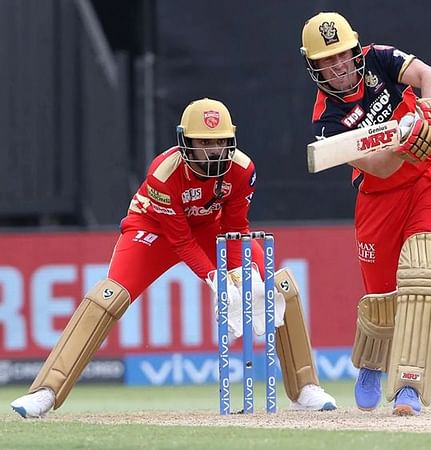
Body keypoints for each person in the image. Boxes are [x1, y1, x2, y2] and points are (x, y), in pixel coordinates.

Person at [10, 98, 336, 418]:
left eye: (221, 142)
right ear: (185, 142)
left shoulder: (242, 169)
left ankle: (305, 387)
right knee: (109, 296)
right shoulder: (164, 174)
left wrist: (241, 273)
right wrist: (215, 277)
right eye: (204, 143)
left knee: (275, 284)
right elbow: (180, 240)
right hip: (154, 230)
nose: (214, 151)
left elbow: (236, 228)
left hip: (211, 228)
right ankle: (46, 391)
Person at [300, 13, 431, 416]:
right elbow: (379, 167)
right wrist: (406, 138)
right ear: (315, 67)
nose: (339, 66)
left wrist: (429, 107)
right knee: (381, 300)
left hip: (429, 179)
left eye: (342, 54)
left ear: (354, 49)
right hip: (378, 198)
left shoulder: (379, 58)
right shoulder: (326, 120)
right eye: (328, 60)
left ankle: (409, 386)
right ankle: (372, 363)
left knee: (426, 274)